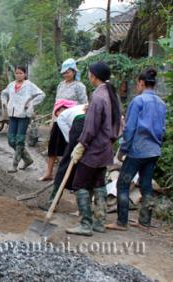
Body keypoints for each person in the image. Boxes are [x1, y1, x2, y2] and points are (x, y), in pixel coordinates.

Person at [106, 68, 166, 231]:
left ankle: (121, 221)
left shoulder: (138, 101)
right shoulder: (161, 103)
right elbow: (162, 129)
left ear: (141, 83)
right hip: (154, 149)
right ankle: (145, 221)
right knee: (146, 185)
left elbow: (130, 128)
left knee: (123, 184)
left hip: (138, 149)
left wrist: (123, 149)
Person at [66, 62, 121, 236]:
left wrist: (82, 144)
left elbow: (90, 127)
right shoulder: (111, 94)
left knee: (79, 183)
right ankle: (99, 222)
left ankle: (85, 224)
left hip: (94, 149)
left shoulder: (98, 97)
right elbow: (118, 122)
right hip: (105, 148)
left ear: (94, 76)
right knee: (99, 183)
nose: (89, 76)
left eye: (89, 73)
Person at [39, 58, 87, 181]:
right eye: (64, 72)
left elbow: (84, 104)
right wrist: (52, 119)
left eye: (68, 72)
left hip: (71, 122)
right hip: (58, 120)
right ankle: (49, 173)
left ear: (74, 71)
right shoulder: (60, 85)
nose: (65, 74)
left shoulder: (79, 86)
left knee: (70, 147)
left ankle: (70, 178)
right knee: (53, 147)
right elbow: (56, 102)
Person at [0, 66, 45, 173]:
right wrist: (5, 103)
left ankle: (14, 165)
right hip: (12, 114)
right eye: (16, 73)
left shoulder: (29, 85)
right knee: (11, 140)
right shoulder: (11, 85)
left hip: (24, 115)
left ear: (25, 74)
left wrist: (30, 103)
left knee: (19, 140)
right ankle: (28, 159)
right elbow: (3, 93)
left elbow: (42, 94)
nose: (18, 75)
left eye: (21, 73)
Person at [45, 100, 87, 207]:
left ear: (60, 109)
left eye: (56, 112)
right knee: (86, 162)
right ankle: (84, 205)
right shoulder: (79, 107)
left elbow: (69, 138)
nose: (57, 114)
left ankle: (52, 201)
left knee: (66, 163)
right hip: (94, 123)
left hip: (81, 123)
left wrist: (74, 148)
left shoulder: (62, 117)